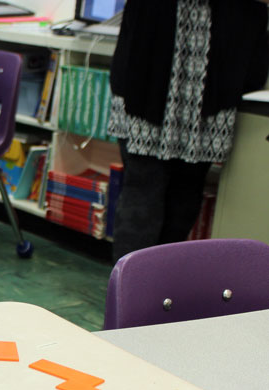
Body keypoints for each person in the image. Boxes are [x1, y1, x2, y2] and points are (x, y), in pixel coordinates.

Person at [107, 0, 269, 264]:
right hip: (151, 67)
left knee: (186, 191)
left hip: (215, 70)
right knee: (143, 188)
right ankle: (128, 293)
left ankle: (164, 291)